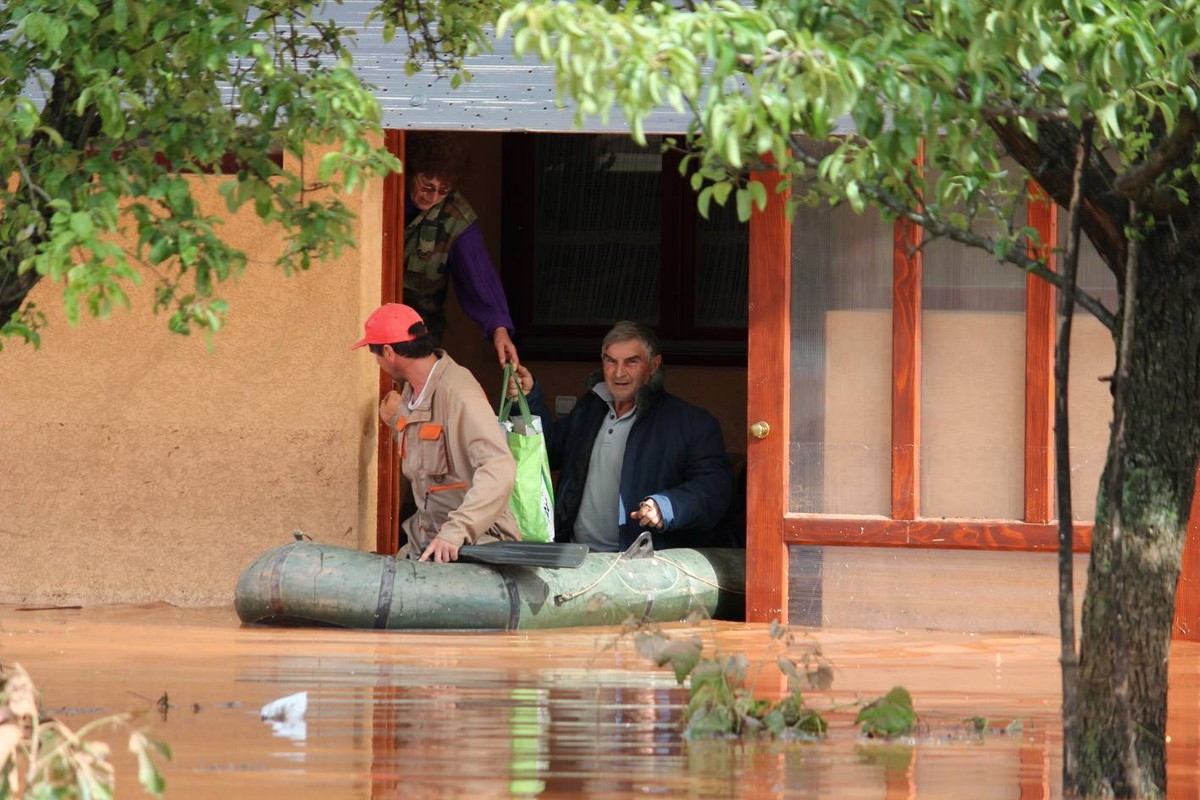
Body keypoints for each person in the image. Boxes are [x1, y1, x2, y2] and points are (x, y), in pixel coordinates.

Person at [508, 321, 733, 552]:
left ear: (654, 365)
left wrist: (666, 506)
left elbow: (714, 489)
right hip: (576, 556)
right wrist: (528, 399)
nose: (618, 373)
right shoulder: (589, 409)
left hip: (639, 567)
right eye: (610, 360)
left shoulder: (691, 423)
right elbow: (546, 453)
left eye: (631, 362)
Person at [354, 303, 521, 562]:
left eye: (374, 355)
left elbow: (500, 467)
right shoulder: (412, 392)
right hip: (428, 543)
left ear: (388, 352)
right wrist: (397, 421)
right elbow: (427, 455)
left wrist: (457, 531)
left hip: (476, 546)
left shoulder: (458, 392)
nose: (376, 363)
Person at [404, 133, 519, 367]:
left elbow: (479, 274)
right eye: (427, 186)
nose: (433, 196)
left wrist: (499, 328)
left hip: (417, 331)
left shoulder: (458, 218)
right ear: (411, 171)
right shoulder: (383, 193)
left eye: (443, 190)